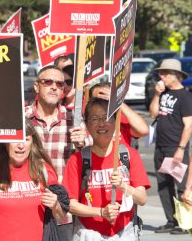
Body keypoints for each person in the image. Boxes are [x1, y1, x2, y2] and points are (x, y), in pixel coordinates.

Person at [0, 119, 68, 240]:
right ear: (5, 142)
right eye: (15, 139)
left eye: (26, 140)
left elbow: (61, 217)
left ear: (32, 142)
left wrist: (55, 205)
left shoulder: (44, 171)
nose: (21, 146)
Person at [63, 98, 150, 240]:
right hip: (89, 234)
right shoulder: (77, 160)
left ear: (116, 122)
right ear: (87, 124)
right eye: (95, 119)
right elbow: (70, 204)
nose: (102, 124)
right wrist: (101, 212)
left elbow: (142, 199)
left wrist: (123, 186)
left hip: (125, 232)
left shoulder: (128, 155)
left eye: (106, 118)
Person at [25, 65, 86, 239]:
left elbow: (91, 159)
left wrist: (82, 144)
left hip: (62, 209)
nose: (54, 87)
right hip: (29, 207)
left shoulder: (74, 120)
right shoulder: (22, 119)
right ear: (37, 86)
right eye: (48, 82)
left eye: (59, 84)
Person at [149, 58, 192, 234]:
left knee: (181, 186)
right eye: (161, 73)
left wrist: (180, 149)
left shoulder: (185, 96)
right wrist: (157, 94)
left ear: (176, 76)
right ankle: (171, 220)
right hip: (160, 146)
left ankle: (185, 223)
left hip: (175, 148)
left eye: (165, 73)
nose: (161, 76)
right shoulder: (164, 92)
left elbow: (189, 125)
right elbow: (152, 114)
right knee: (163, 185)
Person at [89, 82, 149, 148]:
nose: (104, 103)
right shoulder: (85, 122)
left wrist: (119, 102)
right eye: (99, 100)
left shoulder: (120, 118)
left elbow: (144, 130)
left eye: (107, 99)